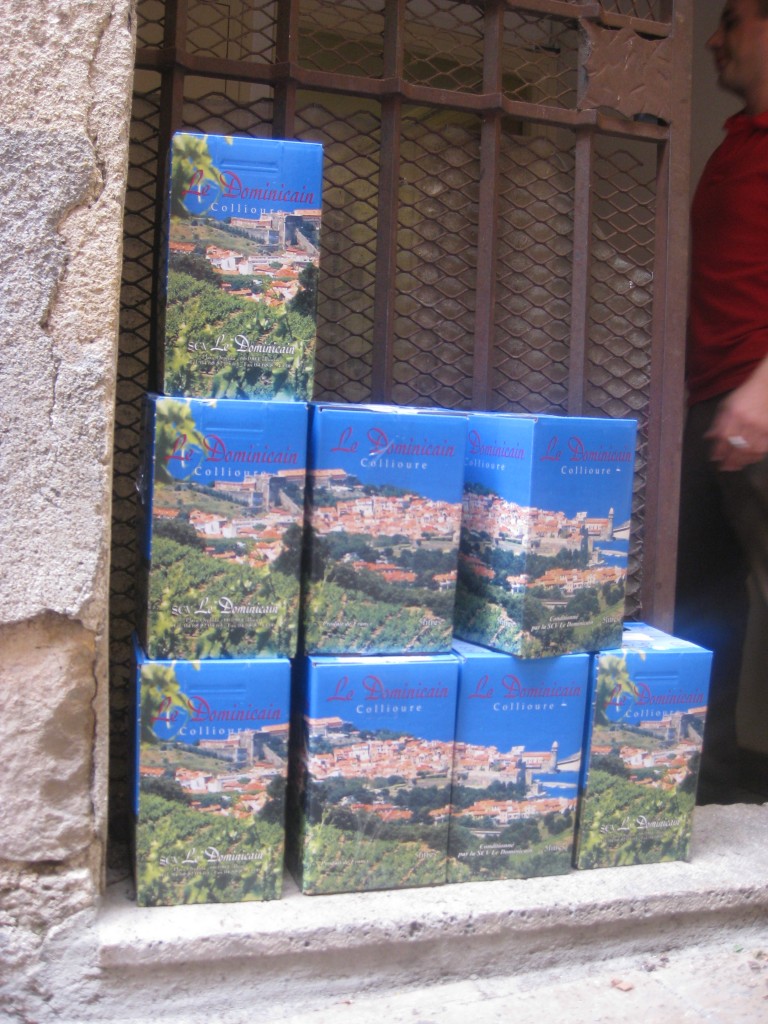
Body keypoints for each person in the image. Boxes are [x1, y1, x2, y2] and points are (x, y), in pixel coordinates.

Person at [674, 0, 768, 804]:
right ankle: (715, 782)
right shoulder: (739, 141)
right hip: (711, 402)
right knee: (703, 604)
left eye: (732, 19)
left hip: (759, 399)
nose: (712, 38)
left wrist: (762, 390)